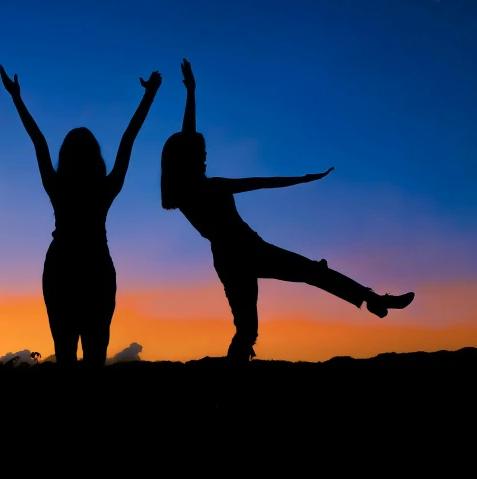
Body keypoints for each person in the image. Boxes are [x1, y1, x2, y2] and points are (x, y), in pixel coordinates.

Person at [160, 58, 415, 365]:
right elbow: (262, 182)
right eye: (200, 154)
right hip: (244, 250)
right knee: (304, 279)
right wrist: (303, 179)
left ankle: (372, 300)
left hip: (230, 256)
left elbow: (189, 134)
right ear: (186, 160)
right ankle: (373, 300)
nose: (205, 156)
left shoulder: (184, 190)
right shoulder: (206, 187)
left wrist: (191, 91)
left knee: (249, 327)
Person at [0, 64, 161, 367]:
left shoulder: (57, 186)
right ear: (95, 156)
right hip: (96, 268)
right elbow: (129, 137)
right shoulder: (105, 188)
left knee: (65, 357)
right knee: (95, 356)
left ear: (66, 156)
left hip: (61, 268)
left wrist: (16, 98)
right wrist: (149, 95)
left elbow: (38, 140)